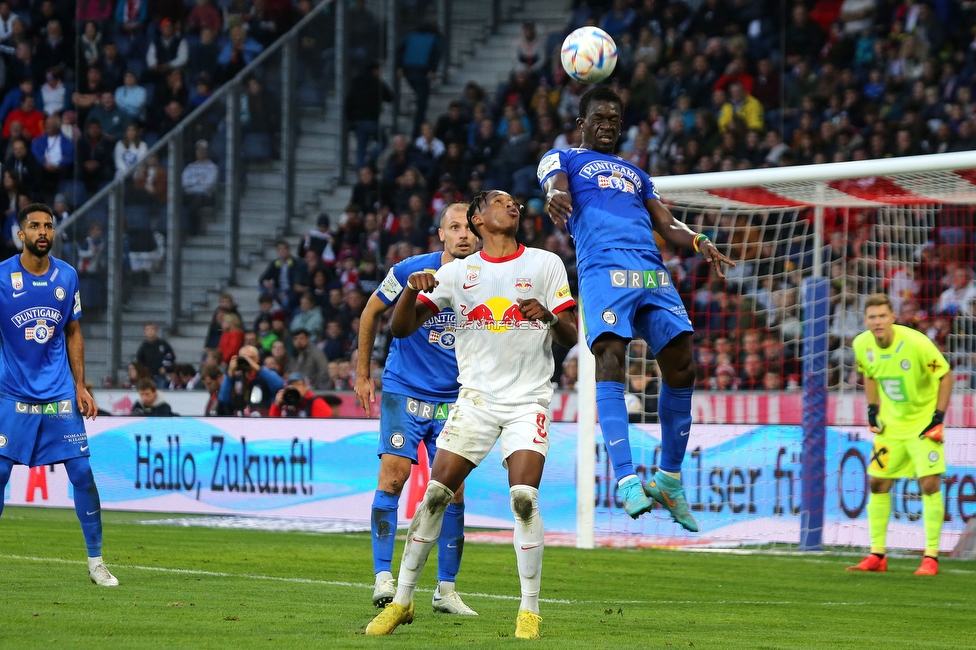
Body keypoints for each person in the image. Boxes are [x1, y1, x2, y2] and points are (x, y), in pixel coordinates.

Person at [366, 190, 577, 638]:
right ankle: (402, 601)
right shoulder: (457, 273)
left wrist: (550, 318)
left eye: (515, 202)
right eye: (501, 202)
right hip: (476, 401)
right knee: (435, 496)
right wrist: (410, 291)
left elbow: (572, 334)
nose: (513, 206)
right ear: (480, 219)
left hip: (527, 400)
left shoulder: (545, 264)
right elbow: (401, 328)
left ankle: (529, 611)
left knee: (524, 498)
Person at [539, 86, 734, 529]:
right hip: (603, 269)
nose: (607, 124)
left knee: (683, 366)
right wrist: (555, 196)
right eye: (599, 118)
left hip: (650, 271)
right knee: (611, 356)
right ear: (582, 123)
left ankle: (667, 478)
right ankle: (626, 479)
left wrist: (700, 241)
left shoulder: (636, 173)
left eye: (614, 119)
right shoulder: (565, 158)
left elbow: (665, 221)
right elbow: (553, 184)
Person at [354, 203, 477, 614]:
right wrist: (362, 373)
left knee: (454, 492)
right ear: (441, 234)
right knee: (394, 476)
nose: (463, 234)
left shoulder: (487, 278)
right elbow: (371, 311)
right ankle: (382, 577)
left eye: (468, 228)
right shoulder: (412, 269)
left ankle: (445, 590)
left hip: (454, 397)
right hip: (405, 389)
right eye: (454, 227)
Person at [0, 202, 118, 586]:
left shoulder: (66, 277)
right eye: (34, 226)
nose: (43, 232)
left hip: (57, 394)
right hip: (12, 393)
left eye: (48, 226)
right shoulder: (2, 277)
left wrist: (80, 385)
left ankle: (97, 562)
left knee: (82, 472)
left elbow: (73, 332)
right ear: (21, 234)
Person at [848, 293, 952, 577]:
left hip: (922, 426)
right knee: (878, 484)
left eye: (883, 316)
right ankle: (877, 554)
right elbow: (869, 372)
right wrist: (872, 409)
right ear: (865, 320)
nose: (878, 322)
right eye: (872, 317)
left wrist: (937, 419)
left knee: (929, 484)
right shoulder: (862, 344)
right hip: (891, 428)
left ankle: (931, 556)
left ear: (893, 317)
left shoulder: (916, 343)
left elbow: (945, 375)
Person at [219, 344, 284, 417]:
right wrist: (229, 374)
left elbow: (279, 385)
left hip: (263, 420)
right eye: (242, 358)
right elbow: (223, 399)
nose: (245, 361)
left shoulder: (265, 375)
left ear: (257, 359)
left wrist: (259, 369)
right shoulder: (236, 378)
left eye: (249, 358)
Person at [135, 322, 175, 388]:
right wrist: (143, 370)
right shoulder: (143, 347)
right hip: (148, 376)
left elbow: (170, 357)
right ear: (144, 333)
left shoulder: (163, 344)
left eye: (152, 329)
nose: (150, 332)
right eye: (147, 330)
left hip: (160, 375)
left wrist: (165, 368)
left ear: (156, 331)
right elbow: (139, 360)